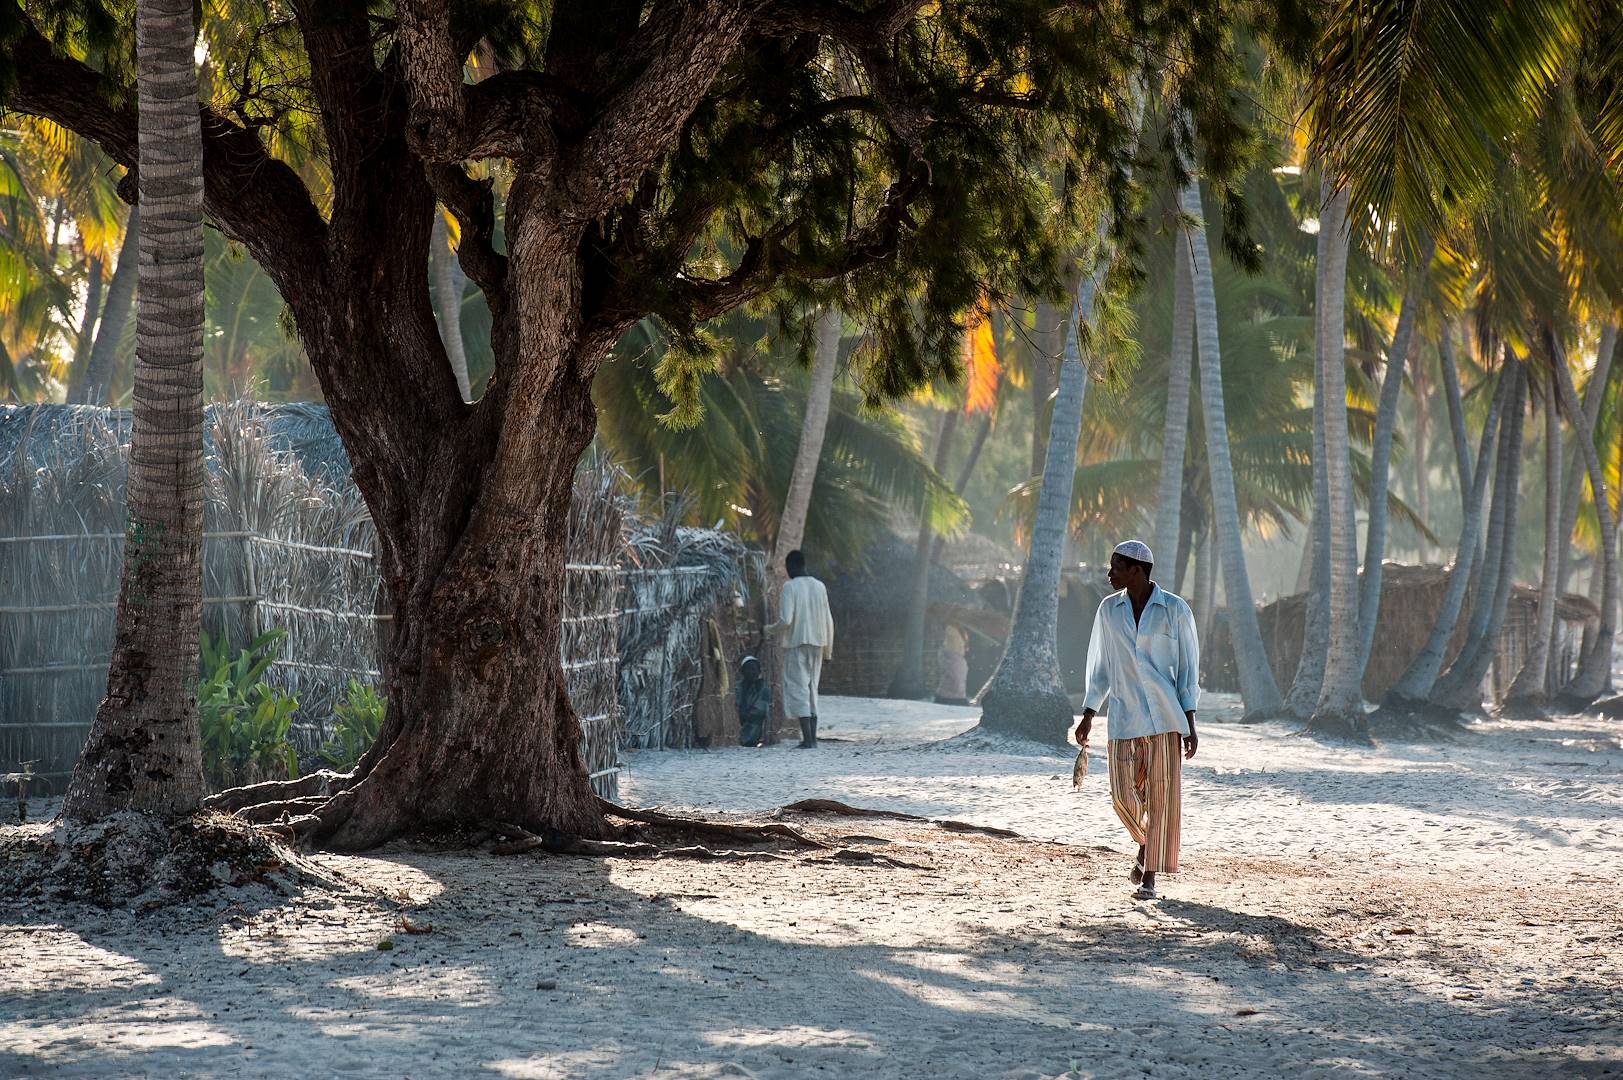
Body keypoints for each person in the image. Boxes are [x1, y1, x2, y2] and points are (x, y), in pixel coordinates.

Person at [1075, 539, 1200, 901]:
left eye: (1115, 567)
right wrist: (1088, 714)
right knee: (1122, 798)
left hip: (1165, 719)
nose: (1108, 573)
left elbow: (1188, 670)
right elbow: (1099, 666)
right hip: (1124, 717)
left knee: (1162, 798)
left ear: (1137, 571)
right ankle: (1147, 843)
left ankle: (1149, 876)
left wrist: (1190, 722)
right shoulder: (1108, 611)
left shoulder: (1175, 610)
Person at [767, 549, 834, 748]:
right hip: (818, 644)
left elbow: (786, 620)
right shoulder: (819, 586)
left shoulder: (790, 587)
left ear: (792, 566)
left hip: (797, 644)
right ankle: (812, 739)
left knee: (798, 689)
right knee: (812, 689)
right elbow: (828, 620)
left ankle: (807, 739)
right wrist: (828, 651)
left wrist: (768, 630)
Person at [735, 656, 772, 747]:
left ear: (759, 672)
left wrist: (747, 714)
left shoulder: (763, 687)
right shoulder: (737, 687)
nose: (751, 672)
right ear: (742, 671)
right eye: (748, 669)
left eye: (754, 669)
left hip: (754, 723)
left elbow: (761, 709)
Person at [935, 619, 970, 706]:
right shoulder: (950, 628)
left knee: (958, 680)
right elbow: (948, 641)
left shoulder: (960, 629)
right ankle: (946, 699)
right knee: (954, 679)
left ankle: (953, 699)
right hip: (951, 655)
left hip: (959, 657)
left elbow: (962, 643)